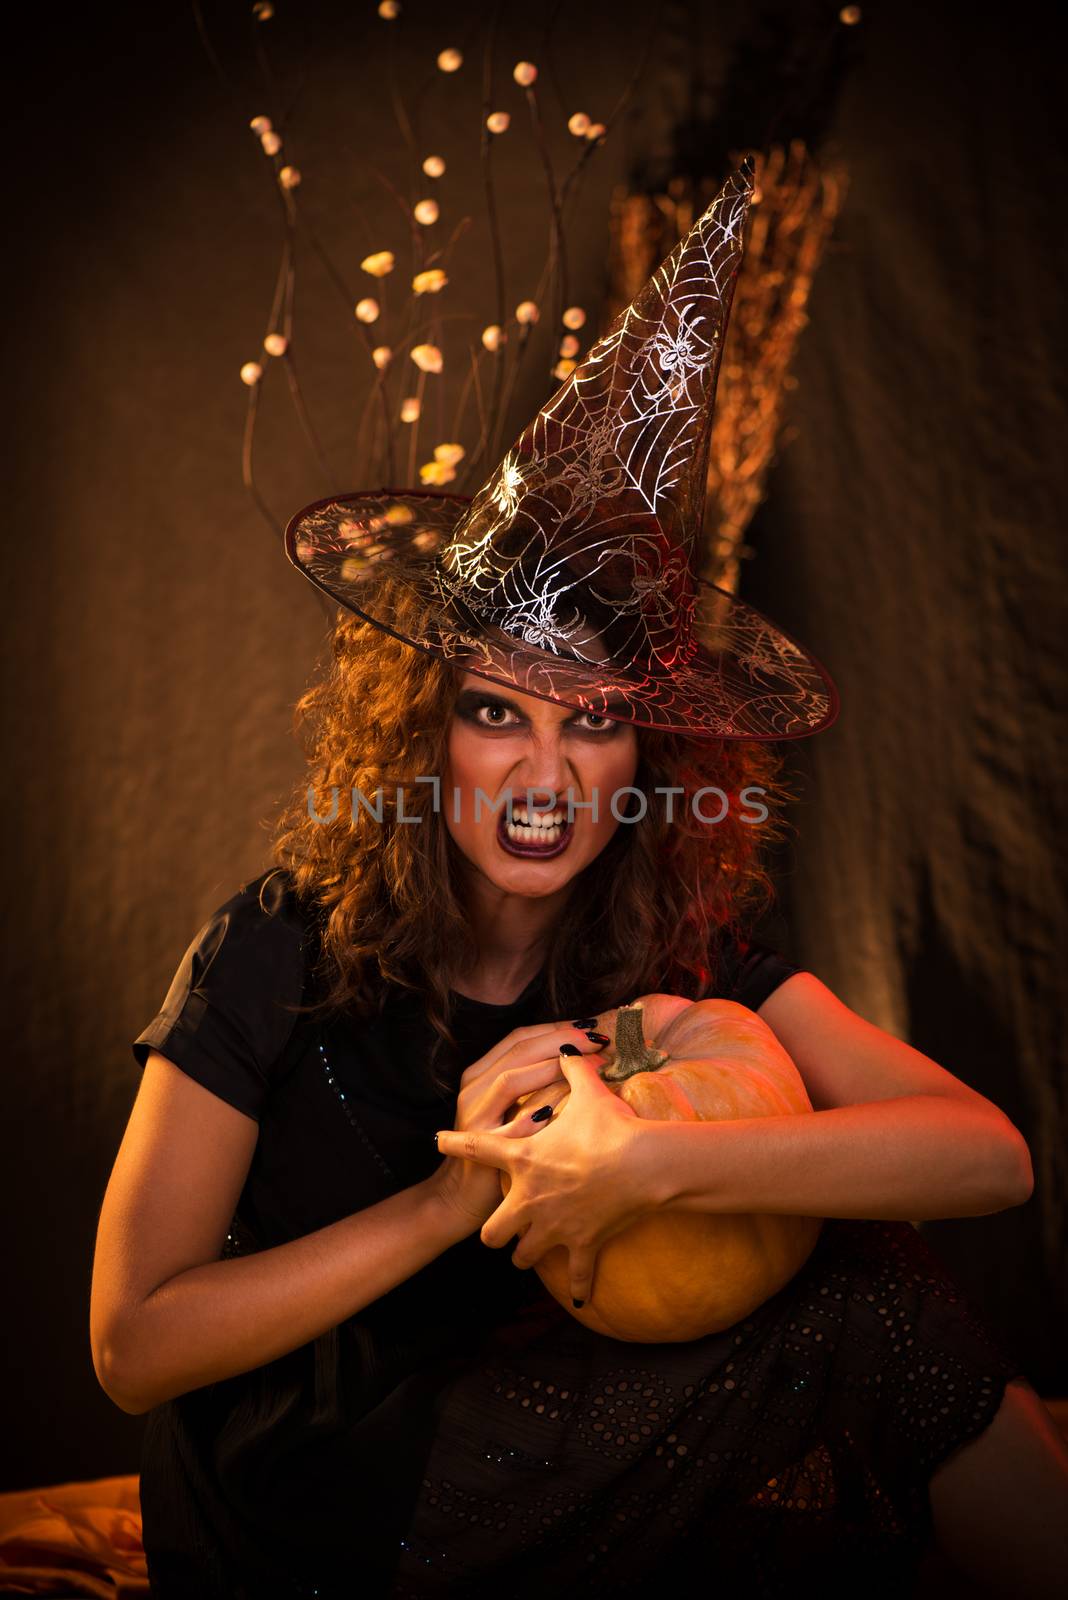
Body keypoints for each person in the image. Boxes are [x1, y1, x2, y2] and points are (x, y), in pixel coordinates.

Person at [91, 159, 1068, 1597]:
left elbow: (987, 1157)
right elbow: (131, 1348)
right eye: (498, 711)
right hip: (303, 1511)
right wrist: (458, 1199)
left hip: (538, 1446)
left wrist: (655, 1160)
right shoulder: (276, 947)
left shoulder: (681, 938)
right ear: (426, 726)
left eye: (593, 720)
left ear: (645, 756)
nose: (543, 772)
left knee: (881, 1303)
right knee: (867, 1336)